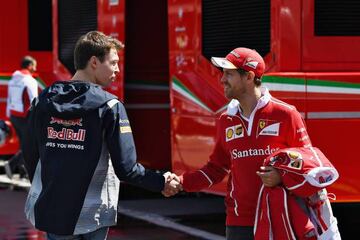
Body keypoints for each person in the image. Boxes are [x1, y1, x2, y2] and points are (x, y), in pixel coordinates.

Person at [22, 31, 180, 239]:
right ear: (94, 62)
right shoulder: (110, 106)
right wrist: (160, 182)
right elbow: (126, 169)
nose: (117, 69)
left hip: (53, 210)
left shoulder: (42, 102)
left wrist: (50, 188)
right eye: (113, 63)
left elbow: (30, 154)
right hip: (92, 216)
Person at [172, 47, 312, 240]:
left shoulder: (286, 114)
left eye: (229, 74)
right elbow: (216, 169)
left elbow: (309, 165)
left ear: (249, 77)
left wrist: (281, 175)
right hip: (239, 222)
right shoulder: (226, 119)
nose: (222, 80)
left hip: (279, 216)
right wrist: (180, 182)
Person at [4, 55, 38, 187]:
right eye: (34, 65)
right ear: (29, 66)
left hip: (14, 116)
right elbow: (34, 100)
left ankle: (23, 171)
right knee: (30, 146)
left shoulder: (13, 79)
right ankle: (12, 164)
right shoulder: (29, 80)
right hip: (25, 117)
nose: (35, 68)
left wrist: (8, 114)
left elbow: (9, 98)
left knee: (23, 144)